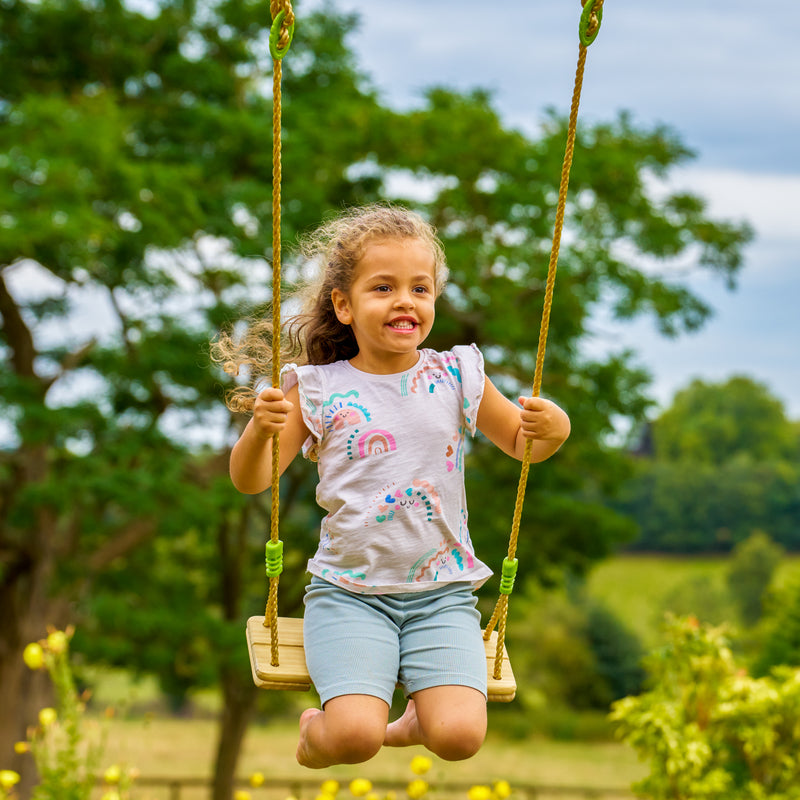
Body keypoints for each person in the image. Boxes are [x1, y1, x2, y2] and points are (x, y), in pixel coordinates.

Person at [217, 204, 570, 768]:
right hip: (350, 595)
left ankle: (411, 725)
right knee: (353, 738)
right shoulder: (317, 389)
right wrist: (259, 432)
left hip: (443, 594)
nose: (405, 301)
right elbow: (250, 479)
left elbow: (522, 443)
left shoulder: (455, 376)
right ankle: (316, 733)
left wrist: (555, 428)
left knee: (459, 738)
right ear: (344, 305)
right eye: (384, 287)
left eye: (419, 288)